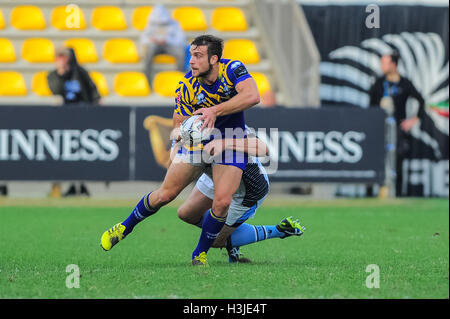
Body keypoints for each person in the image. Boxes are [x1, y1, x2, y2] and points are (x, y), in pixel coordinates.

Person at [100, 34, 261, 266]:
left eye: (197, 56)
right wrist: (178, 140)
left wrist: (214, 111)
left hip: (230, 142)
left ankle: (200, 254)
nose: (192, 61)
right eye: (190, 55)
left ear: (214, 59)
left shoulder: (232, 70)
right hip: (197, 144)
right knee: (165, 194)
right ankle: (124, 227)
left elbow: (253, 95)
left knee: (222, 202)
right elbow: (179, 123)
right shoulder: (186, 85)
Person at [177, 127, 306, 263]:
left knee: (214, 240)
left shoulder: (231, 124)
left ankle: (279, 230)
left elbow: (263, 149)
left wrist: (225, 143)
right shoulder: (194, 120)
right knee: (186, 213)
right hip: (215, 177)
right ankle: (231, 233)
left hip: (247, 190)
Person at [368, 51, 426, 197]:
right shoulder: (379, 83)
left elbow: (421, 101)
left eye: (385, 63)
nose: (382, 66)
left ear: (393, 65)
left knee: (398, 163)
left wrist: (413, 120)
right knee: (375, 161)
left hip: (398, 130)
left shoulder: (404, 83)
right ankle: (370, 195)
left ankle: (399, 196)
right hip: (380, 129)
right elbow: (370, 106)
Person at [47, 47, 101, 197]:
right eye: (60, 57)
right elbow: (55, 90)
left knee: (82, 151)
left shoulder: (80, 72)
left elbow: (91, 88)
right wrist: (61, 74)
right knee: (65, 153)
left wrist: (96, 101)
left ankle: (80, 185)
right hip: (64, 119)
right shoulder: (53, 75)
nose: (62, 60)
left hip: (82, 115)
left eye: (64, 56)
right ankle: (62, 186)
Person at [140, 4, 187, 86]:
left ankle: (179, 78)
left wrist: (167, 40)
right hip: (155, 46)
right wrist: (152, 40)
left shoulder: (174, 24)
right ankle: (147, 80)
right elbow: (144, 39)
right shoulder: (150, 24)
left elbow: (180, 39)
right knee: (148, 52)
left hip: (170, 45)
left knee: (181, 53)